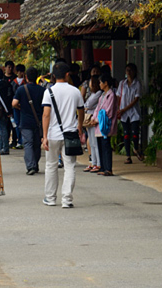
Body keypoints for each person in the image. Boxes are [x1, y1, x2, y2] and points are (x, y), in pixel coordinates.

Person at [41, 62, 85, 208]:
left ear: (53, 76)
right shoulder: (75, 91)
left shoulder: (49, 92)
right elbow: (81, 111)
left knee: (51, 166)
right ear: (68, 74)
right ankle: (67, 200)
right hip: (71, 134)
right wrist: (79, 126)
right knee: (70, 166)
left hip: (53, 135)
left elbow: (46, 115)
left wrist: (45, 136)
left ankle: (50, 197)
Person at [12, 67, 45, 175]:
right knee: (36, 144)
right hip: (39, 121)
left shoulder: (21, 89)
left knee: (28, 143)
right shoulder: (42, 90)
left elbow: (14, 103)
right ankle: (35, 164)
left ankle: (31, 166)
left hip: (25, 121)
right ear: (37, 77)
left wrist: (21, 107)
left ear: (26, 77)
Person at [118, 63, 144, 164]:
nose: (129, 72)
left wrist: (125, 109)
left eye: (131, 70)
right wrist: (118, 109)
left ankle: (136, 148)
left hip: (134, 112)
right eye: (127, 70)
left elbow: (136, 99)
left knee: (135, 133)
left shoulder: (137, 84)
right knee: (126, 134)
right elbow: (118, 97)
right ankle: (128, 156)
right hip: (123, 114)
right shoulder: (122, 84)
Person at [95, 73, 118, 177]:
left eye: (100, 82)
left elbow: (108, 111)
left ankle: (108, 168)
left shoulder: (111, 95)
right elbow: (97, 109)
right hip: (99, 124)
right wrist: (93, 118)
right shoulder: (102, 95)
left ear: (106, 83)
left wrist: (97, 119)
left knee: (106, 146)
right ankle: (103, 167)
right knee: (100, 145)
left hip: (105, 124)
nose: (99, 84)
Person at [82, 75, 103, 173]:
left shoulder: (98, 93)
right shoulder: (93, 93)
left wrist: (85, 106)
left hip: (93, 118)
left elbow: (88, 104)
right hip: (90, 119)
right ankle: (93, 162)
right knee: (91, 141)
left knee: (95, 142)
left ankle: (98, 163)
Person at [0, 68, 14, 156]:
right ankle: (1, 147)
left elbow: (0, 98)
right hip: (7, 109)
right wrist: (9, 110)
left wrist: (6, 109)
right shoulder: (8, 84)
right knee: (4, 128)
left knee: (1, 128)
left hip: (0, 110)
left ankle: (4, 148)